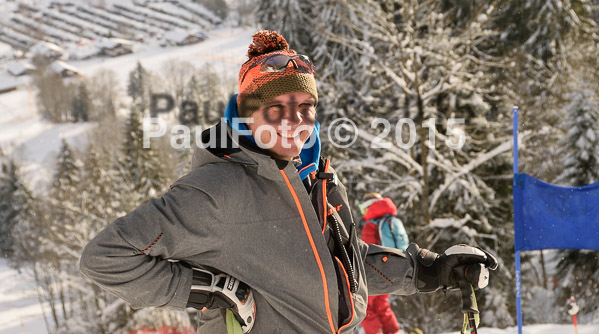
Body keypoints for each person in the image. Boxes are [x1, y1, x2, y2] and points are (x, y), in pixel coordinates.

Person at [79, 30, 498, 334]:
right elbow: (106, 257)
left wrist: (429, 270)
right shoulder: (217, 190)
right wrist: (210, 290)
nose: (292, 120)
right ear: (247, 115)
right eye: (275, 108)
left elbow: (338, 266)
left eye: (304, 106)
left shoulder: (314, 177)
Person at [359, 193, 408, 334]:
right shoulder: (391, 221)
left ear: (370, 206)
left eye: (364, 209)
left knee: (364, 306)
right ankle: (393, 332)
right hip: (394, 270)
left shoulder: (370, 226)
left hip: (376, 273)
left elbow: (367, 252)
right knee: (382, 305)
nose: (364, 213)